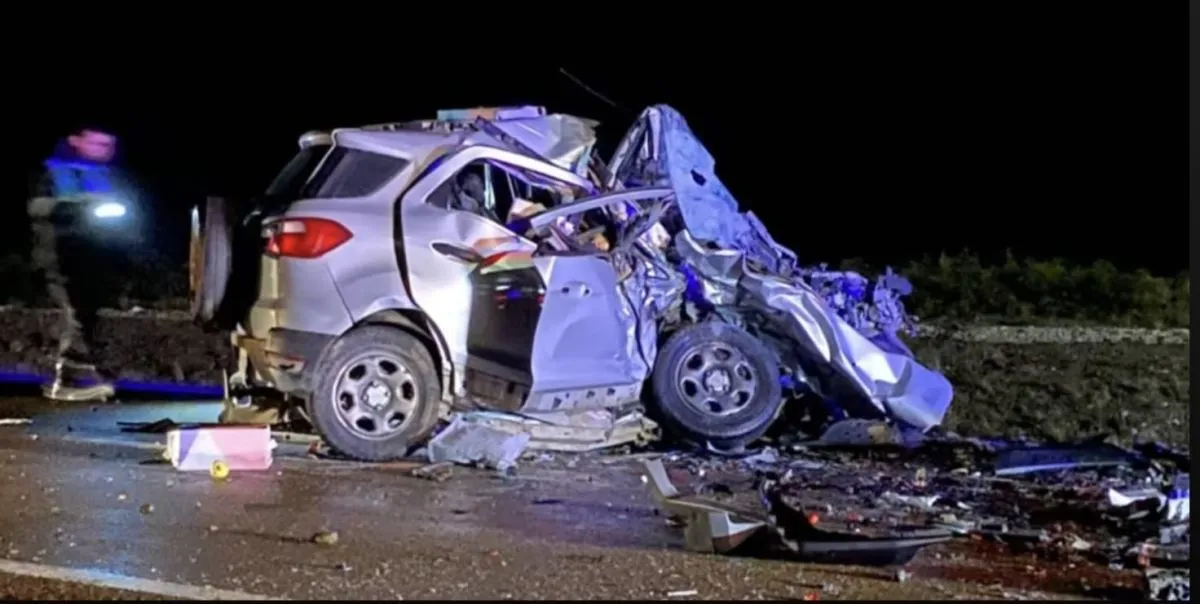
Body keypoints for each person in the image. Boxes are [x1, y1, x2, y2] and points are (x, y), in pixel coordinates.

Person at [27, 126, 133, 401]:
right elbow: (36, 206)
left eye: (108, 145)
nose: (105, 150)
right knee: (77, 315)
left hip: (92, 258)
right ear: (76, 141)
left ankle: (78, 374)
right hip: (60, 256)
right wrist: (74, 206)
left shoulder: (103, 175)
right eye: (97, 144)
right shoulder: (53, 171)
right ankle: (73, 378)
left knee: (86, 315)